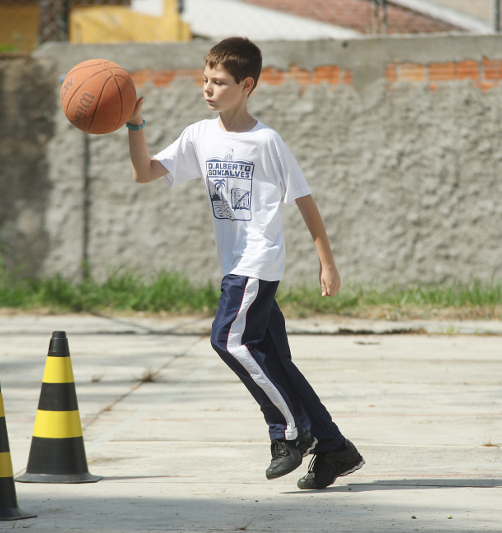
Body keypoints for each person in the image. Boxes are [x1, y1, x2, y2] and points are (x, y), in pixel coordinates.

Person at [125, 36, 364, 490]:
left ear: (247, 84)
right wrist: (135, 126)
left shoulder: (266, 141)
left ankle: (290, 432)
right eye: (205, 79)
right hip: (235, 262)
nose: (208, 88)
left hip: (257, 261)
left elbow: (304, 201)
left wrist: (326, 262)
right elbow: (144, 172)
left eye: (219, 81)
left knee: (229, 341)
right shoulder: (200, 135)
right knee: (276, 360)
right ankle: (334, 449)